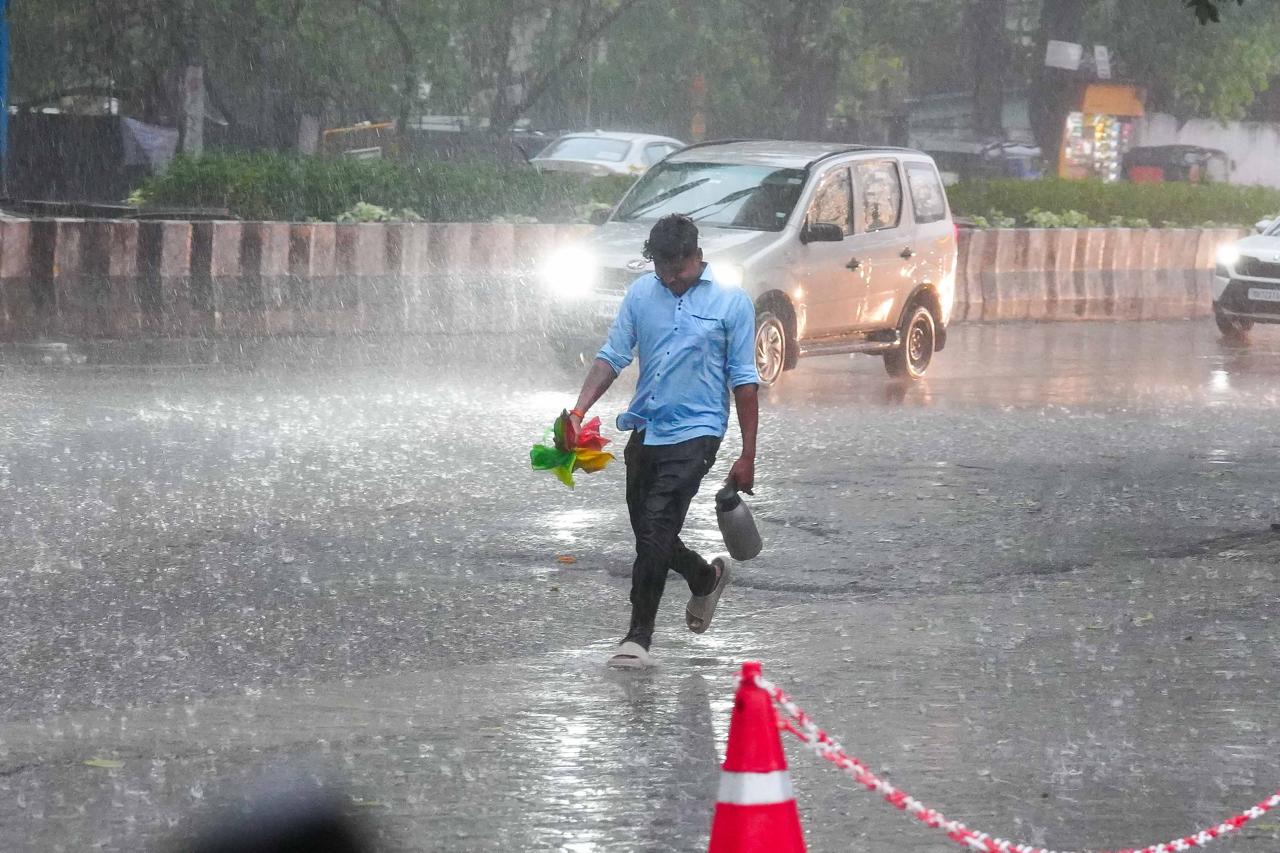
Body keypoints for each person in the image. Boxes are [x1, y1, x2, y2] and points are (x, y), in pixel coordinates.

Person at [564, 214, 760, 669]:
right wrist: (578, 411)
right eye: (663, 272)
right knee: (651, 532)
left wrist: (747, 454)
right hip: (647, 428)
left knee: (654, 526)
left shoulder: (733, 303)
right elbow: (612, 355)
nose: (671, 281)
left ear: (697, 255)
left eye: (680, 271)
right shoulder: (640, 295)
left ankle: (638, 637)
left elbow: (745, 382)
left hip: (699, 433)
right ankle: (704, 577)